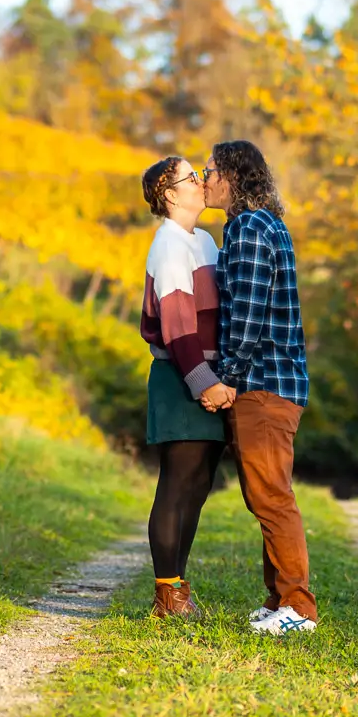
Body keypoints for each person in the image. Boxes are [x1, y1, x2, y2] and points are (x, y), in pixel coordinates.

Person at [199, 141, 317, 635]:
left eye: (209, 171)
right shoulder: (259, 225)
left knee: (271, 497)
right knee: (263, 496)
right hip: (273, 382)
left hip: (263, 384)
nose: (203, 179)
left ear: (230, 177)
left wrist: (226, 378)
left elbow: (245, 318)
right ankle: (278, 601)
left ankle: (299, 607)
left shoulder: (247, 229)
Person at [138, 155, 226, 620]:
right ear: (170, 194)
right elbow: (177, 327)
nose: (201, 182)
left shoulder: (206, 241)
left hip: (213, 379)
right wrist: (203, 384)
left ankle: (179, 590)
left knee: (198, 484)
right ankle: (166, 595)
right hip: (182, 379)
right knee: (176, 484)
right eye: (192, 177)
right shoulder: (169, 244)